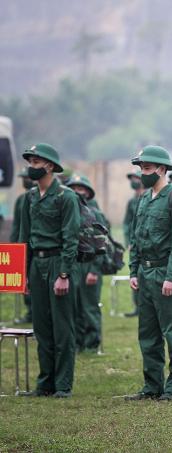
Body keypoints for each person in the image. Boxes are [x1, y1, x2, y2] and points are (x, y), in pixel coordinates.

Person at [125, 145, 172, 401]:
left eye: (148, 168)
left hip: (166, 272)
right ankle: (152, 385)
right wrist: (133, 270)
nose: (144, 172)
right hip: (145, 273)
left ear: (162, 169)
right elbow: (136, 237)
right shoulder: (142, 200)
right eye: (141, 168)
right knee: (148, 334)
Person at [19, 143, 80, 398]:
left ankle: (63, 384)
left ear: (50, 167)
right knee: (42, 327)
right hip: (37, 264)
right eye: (30, 162)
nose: (31, 167)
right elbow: (24, 236)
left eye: (36, 162)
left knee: (62, 328)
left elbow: (71, 237)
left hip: (58, 262)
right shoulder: (29, 198)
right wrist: (23, 272)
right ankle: (45, 383)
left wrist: (64, 273)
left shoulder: (66, 197)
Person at [66, 174, 109, 353]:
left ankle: (92, 343)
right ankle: (77, 342)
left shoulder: (95, 213)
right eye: (74, 188)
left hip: (90, 265)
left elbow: (102, 244)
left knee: (89, 306)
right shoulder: (67, 212)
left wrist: (94, 270)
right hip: (73, 264)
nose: (77, 192)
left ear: (88, 192)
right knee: (73, 305)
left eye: (81, 188)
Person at [10, 168, 34, 324]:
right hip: (24, 245)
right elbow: (17, 226)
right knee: (25, 280)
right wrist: (14, 247)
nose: (25, 180)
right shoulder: (21, 200)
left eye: (27, 177)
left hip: (39, 246)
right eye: (23, 177)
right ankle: (30, 311)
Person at [123, 170, 144, 317]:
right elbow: (127, 223)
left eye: (136, 178)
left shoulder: (149, 197)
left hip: (146, 243)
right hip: (134, 242)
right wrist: (128, 241)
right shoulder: (131, 201)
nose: (134, 181)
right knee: (134, 272)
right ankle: (137, 307)